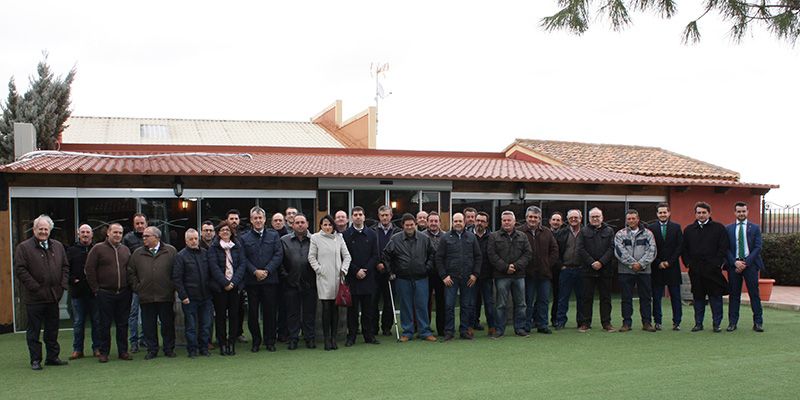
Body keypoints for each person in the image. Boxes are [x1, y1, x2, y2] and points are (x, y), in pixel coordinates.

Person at [14, 215, 69, 370]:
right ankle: (35, 360)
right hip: (34, 298)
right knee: (34, 331)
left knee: (52, 330)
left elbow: (65, 267)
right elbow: (20, 269)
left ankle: (52, 357)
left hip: (53, 297)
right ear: (34, 229)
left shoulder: (58, 246)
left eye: (46, 229)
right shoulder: (23, 248)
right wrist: (35, 287)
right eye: (41, 229)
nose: (43, 231)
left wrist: (62, 286)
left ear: (50, 230)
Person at [383, 213, 437, 342]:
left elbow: (433, 254)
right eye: (407, 225)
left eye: (412, 225)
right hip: (403, 278)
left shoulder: (424, 238)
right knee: (405, 305)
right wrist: (390, 271)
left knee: (422, 305)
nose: (409, 227)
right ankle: (407, 332)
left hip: (421, 277)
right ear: (403, 226)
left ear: (416, 225)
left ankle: (425, 331)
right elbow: (386, 255)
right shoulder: (395, 239)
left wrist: (427, 268)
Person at [127, 226, 178, 359]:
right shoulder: (137, 253)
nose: (144, 238)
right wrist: (138, 287)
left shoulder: (170, 251)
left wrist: (172, 286)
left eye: (147, 236)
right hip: (146, 296)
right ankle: (152, 350)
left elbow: (177, 271)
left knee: (167, 324)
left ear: (156, 237)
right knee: (148, 325)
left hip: (165, 295)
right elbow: (131, 272)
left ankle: (169, 349)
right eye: (143, 236)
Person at [85, 223, 133, 363]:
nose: (117, 235)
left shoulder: (125, 250)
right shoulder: (98, 249)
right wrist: (96, 289)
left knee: (123, 324)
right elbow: (89, 269)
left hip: (124, 293)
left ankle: (123, 351)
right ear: (108, 233)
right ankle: (104, 352)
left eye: (120, 233)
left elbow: (129, 270)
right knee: (104, 324)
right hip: (105, 293)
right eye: (115, 232)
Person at [681, 202, 729, 333]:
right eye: (698, 213)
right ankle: (698, 323)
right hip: (696, 270)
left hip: (713, 270)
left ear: (709, 213)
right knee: (698, 298)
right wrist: (689, 264)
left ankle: (716, 324)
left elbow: (723, 247)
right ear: (695, 214)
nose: (701, 215)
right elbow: (684, 249)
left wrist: (717, 263)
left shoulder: (719, 228)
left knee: (715, 298)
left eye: (703, 213)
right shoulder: (689, 230)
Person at [241, 206, 283, 352]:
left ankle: (270, 341)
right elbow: (243, 258)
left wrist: (267, 270)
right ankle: (256, 341)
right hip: (252, 282)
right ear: (251, 220)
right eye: (255, 218)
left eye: (260, 218)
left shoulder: (273, 236)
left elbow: (278, 255)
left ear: (265, 220)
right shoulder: (244, 237)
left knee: (270, 312)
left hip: (270, 281)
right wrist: (254, 271)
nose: (258, 220)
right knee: (252, 313)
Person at [308, 215, 351, 350]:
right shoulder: (315, 238)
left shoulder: (339, 238)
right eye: (325, 224)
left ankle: (334, 337)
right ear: (321, 225)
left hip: (337, 278)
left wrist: (343, 270)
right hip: (324, 278)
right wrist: (319, 270)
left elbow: (347, 256)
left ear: (333, 226)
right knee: (326, 308)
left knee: (336, 308)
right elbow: (311, 257)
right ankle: (326, 338)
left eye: (330, 225)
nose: (327, 227)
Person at [436, 213, 481, 340]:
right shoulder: (445, 238)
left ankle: (464, 330)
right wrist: (444, 276)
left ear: (464, 222)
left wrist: (475, 274)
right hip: (451, 278)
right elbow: (439, 258)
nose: (458, 223)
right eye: (455, 221)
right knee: (449, 305)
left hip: (468, 277)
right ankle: (449, 331)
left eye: (460, 221)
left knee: (466, 305)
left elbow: (478, 256)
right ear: (452, 222)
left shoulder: (472, 237)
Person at [487, 210, 532, 338]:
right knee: (501, 304)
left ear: (514, 222)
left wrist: (515, 266)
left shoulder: (522, 236)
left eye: (509, 220)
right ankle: (499, 330)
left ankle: (520, 328)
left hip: (519, 275)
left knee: (521, 304)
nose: (506, 222)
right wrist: (506, 267)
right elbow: (492, 255)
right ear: (501, 221)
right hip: (501, 275)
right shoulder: (494, 236)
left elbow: (528, 254)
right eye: (504, 220)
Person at [173, 229, 214, 357]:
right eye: (191, 239)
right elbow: (177, 278)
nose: (194, 241)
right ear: (186, 240)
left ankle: (204, 348)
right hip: (190, 298)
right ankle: (192, 350)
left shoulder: (205, 253)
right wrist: (183, 296)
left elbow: (211, 273)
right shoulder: (181, 256)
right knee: (190, 326)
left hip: (206, 296)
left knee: (206, 325)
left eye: (196, 238)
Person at [342, 206, 380, 346]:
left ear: (364, 217)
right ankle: (351, 336)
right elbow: (344, 256)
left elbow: (375, 255)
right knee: (352, 311)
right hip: (353, 278)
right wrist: (356, 270)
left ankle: (368, 336)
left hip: (368, 277)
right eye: (355, 215)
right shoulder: (345, 235)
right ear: (352, 217)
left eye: (360, 214)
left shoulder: (372, 234)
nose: (358, 217)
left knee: (368, 310)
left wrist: (366, 270)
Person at [614, 209, 657, 332]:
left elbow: (652, 250)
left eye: (634, 218)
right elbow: (619, 251)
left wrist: (641, 264)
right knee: (626, 298)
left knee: (646, 298)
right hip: (625, 271)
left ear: (638, 219)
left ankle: (647, 323)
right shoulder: (620, 234)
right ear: (626, 220)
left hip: (644, 271)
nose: (631, 221)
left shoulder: (648, 234)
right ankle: (626, 323)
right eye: (629, 219)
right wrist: (632, 264)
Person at [207, 221, 246, 355]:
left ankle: (232, 342)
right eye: (222, 230)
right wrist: (225, 283)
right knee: (221, 316)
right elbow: (213, 267)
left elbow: (242, 265)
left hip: (235, 287)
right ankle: (222, 342)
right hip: (219, 288)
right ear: (218, 233)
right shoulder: (213, 248)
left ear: (231, 232)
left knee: (234, 316)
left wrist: (233, 282)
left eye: (227, 230)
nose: (225, 232)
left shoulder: (238, 246)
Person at [279, 214, 317, 349]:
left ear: (307, 223)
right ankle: (293, 338)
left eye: (302, 222)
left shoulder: (315, 240)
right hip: (291, 283)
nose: (300, 225)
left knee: (309, 313)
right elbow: (280, 261)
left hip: (310, 283)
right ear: (292, 225)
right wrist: (286, 276)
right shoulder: (284, 240)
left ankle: (309, 338)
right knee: (292, 313)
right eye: (297, 222)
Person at [726, 201, 764, 332]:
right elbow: (726, 248)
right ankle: (732, 322)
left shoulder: (755, 228)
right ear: (734, 212)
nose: (741, 213)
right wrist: (734, 262)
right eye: (739, 211)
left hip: (751, 265)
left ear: (747, 212)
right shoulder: (728, 229)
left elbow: (758, 247)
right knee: (734, 295)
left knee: (754, 294)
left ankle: (758, 323)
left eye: (743, 211)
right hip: (734, 266)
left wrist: (746, 263)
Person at [520, 206, 559, 335]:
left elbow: (554, 250)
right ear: (526, 218)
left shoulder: (547, 232)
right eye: (530, 217)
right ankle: (526, 324)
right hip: (527, 273)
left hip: (544, 273)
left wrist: (547, 264)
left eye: (535, 217)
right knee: (528, 300)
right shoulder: (520, 232)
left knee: (543, 300)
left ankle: (542, 324)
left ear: (539, 219)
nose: (533, 219)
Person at [578, 208, 616, 333]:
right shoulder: (583, 231)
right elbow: (581, 249)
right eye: (593, 216)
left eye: (597, 216)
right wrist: (592, 262)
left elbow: (612, 248)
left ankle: (606, 323)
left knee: (605, 298)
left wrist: (601, 262)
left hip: (605, 270)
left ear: (602, 217)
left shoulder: (609, 231)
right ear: (589, 218)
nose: (595, 218)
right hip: (587, 270)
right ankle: (585, 323)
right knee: (586, 298)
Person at [647, 203, 683, 331]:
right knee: (656, 297)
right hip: (657, 267)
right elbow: (649, 248)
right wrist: (658, 262)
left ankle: (677, 322)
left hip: (672, 267)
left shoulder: (676, 227)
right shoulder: (651, 228)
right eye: (660, 212)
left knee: (676, 296)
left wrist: (669, 262)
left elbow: (680, 247)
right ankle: (657, 321)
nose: (662, 214)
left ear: (669, 213)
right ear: (657, 214)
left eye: (665, 212)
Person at [66, 224, 100, 360]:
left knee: (96, 322)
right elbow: (65, 268)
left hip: (94, 293)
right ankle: (77, 349)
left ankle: (97, 348)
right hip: (77, 293)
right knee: (78, 322)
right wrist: (72, 280)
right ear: (78, 234)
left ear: (92, 234)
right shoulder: (71, 250)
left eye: (88, 232)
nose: (85, 234)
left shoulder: (97, 249)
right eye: (83, 232)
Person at [373, 205, 401, 336]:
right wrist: (377, 263)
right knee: (373, 301)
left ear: (391, 216)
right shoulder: (372, 231)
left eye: (387, 215)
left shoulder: (398, 232)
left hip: (391, 272)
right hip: (375, 271)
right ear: (379, 216)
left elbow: (399, 253)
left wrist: (389, 267)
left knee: (389, 301)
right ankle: (373, 328)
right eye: (382, 215)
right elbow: (370, 250)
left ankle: (386, 327)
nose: (385, 217)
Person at [554, 209, 584, 329]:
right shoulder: (561, 233)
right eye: (571, 218)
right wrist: (561, 265)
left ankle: (581, 322)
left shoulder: (585, 232)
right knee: (563, 298)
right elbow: (556, 251)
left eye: (576, 217)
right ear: (568, 219)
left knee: (581, 298)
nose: (573, 219)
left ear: (580, 219)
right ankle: (560, 321)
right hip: (566, 269)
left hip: (581, 270)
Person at [123, 212, 147, 353]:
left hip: (149, 283)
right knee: (133, 314)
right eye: (137, 223)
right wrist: (133, 283)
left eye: (142, 223)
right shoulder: (128, 239)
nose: (139, 226)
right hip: (134, 285)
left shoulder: (151, 237)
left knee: (147, 313)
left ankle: (144, 338)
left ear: (146, 223)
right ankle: (133, 341)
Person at [226, 208, 248, 344]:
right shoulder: (220, 236)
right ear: (227, 221)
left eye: (236, 219)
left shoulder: (243, 237)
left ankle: (237, 333)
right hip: (222, 280)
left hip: (239, 279)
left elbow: (244, 259)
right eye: (231, 219)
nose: (234, 221)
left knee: (238, 309)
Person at [422, 211, 446, 336]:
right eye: (431, 221)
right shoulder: (421, 236)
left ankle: (441, 329)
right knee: (425, 302)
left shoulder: (446, 236)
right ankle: (425, 329)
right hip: (426, 274)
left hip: (441, 275)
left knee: (441, 302)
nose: (433, 223)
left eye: (436, 221)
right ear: (427, 222)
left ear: (440, 223)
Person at [473, 212, 496, 335]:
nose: (479, 223)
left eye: (482, 221)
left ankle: (492, 327)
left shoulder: (492, 237)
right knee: (472, 303)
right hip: (472, 277)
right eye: (478, 220)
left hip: (487, 276)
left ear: (487, 224)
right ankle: (471, 327)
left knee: (489, 303)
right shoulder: (469, 236)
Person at [271, 212, 289, 342]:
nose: (278, 222)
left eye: (280, 220)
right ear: (271, 223)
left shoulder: (288, 236)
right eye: (275, 220)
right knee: (272, 308)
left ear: (284, 222)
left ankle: (283, 332)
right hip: (270, 277)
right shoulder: (268, 236)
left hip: (286, 278)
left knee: (285, 307)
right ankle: (272, 333)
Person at [548, 211, 565, 326]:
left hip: (559, 269)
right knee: (541, 295)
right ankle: (537, 319)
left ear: (562, 222)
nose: (555, 222)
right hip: (545, 268)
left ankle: (555, 319)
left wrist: (562, 265)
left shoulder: (565, 234)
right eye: (554, 220)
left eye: (558, 220)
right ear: (550, 221)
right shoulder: (543, 233)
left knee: (558, 295)